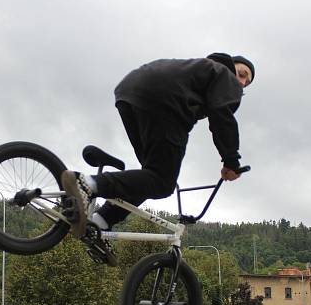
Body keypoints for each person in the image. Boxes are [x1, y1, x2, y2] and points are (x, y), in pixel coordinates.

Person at [60, 53, 255, 263]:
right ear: (231, 65)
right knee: (162, 182)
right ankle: (89, 183)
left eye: (247, 82)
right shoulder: (223, 73)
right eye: (242, 74)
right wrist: (231, 160)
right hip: (167, 103)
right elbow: (222, 118)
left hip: (130, 92)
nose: (242, 83)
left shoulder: (198, 68)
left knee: (149, 178)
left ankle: (100, 222)